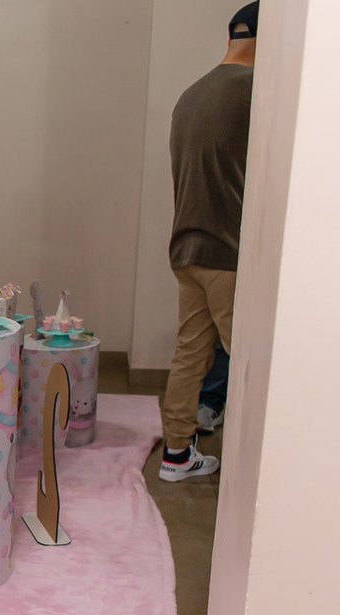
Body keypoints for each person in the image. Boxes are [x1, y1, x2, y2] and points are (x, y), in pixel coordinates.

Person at [160, 1, 257, 482]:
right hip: (228, 250)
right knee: (251, 361)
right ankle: (262, 479)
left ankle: (176, 455)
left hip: (187, 247)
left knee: (190, 355)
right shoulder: (252, 89)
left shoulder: (192, 93)